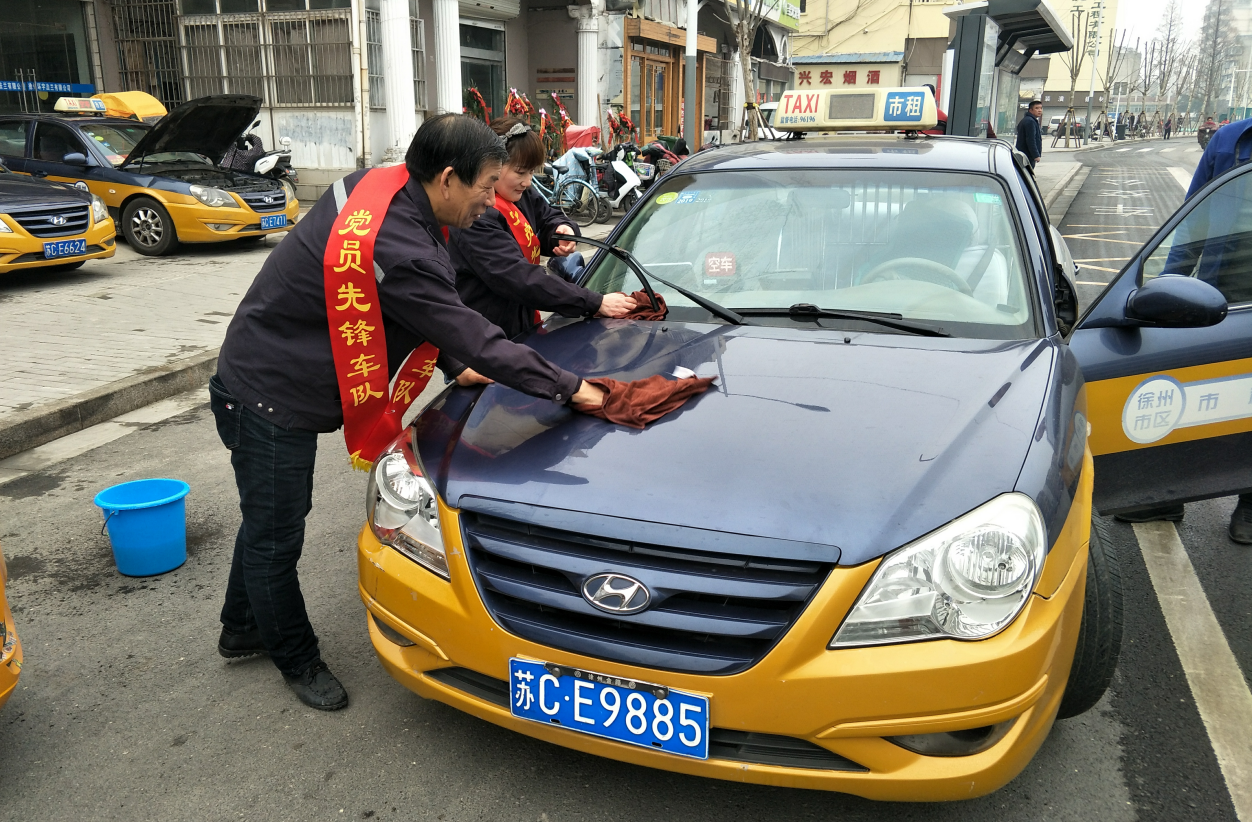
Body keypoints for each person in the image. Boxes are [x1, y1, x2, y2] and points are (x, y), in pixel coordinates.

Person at [210, 114, 608, 710]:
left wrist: (452, 362)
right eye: (487, 186)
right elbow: (468, 328)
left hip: (268, 365)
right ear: (447, 178)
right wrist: (571, 387)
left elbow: (407, 305)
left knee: (267, 517)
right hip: (267, 391)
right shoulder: (399, 242)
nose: (491, 201)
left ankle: (242, 625)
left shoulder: (385, 187)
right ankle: (295, 655)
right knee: (276, 533)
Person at [1118, 113, 1252, 543]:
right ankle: (1167, 491)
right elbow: (1193, 220)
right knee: (1188, 388)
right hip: (1218, 293)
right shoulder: (1230, 141)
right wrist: (1166, 294)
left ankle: (1250, 502)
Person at [441, 117, 636, 386]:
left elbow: (547, 217)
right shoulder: (476, 215)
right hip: (484, 343)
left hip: (521, 329)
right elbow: (519, 278)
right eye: (520, 172)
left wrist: (562, 231)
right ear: (491, 166)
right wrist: (595, 302)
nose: (527, 181)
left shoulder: (519, 195)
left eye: (532, 172)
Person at [1016, 100, 1043, 167]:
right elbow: (1031, 140)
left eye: (1041, 108)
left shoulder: (1029, 120)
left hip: (1025, 155)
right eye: (1037, 108)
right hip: (1027, 155)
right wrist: (1035, 155)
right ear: (1030, 110)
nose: (1039, 110)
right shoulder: (1030, 121)